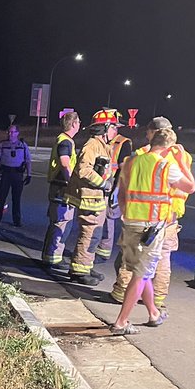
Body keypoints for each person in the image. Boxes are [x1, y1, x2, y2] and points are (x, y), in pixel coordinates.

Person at [109, 126, 195, 334]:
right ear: (168, 147)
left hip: (130, 223)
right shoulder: (166, 166)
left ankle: (153, 313)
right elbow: (190, 187)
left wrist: (127, 213)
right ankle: (121, 322)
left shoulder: (131, 161)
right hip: (151, 228)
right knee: (140, 274)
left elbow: (121, 194)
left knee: (142, 271)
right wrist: (182, 161)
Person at [64, 109, 117, 285]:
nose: (115, 131)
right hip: (90, 198)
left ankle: (86, 265)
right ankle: (79, 271)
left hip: (97, 198)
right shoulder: (92, 145)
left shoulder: (103, 146)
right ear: (105, 128)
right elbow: (84, 170)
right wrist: (103, 184)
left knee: (95, 234)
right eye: (113, 127)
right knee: (89, 233)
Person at [41, 109, 80, 268]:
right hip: (61, 189)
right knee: (61, 223)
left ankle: (49, 256)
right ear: (73, 124)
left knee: (57, 223)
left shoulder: (62, 139)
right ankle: (54, 258)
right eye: (78, 122)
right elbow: (64, 163)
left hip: (57, 188)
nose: (80, 125)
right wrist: (72, 183)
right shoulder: (66, 141)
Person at [95, 114, 133, 262]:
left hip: (113, 186)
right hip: (102, 185)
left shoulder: (123, 143)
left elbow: (124, 169)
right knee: (100, 219)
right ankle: (97, 249)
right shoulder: (104, 142)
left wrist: (117, 190)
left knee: (108, 220)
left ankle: (103, 252)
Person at [0, 124, 31, 227]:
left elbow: (28, 161)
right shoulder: (2, 144)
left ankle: (17, 221)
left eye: (13, 132)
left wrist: (29, 174)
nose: (10, 134)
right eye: (9, 132)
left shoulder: (22, 145)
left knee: (16, 199)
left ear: (17, 133)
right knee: (1, 198)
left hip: (17, 174)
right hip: (5, 174)